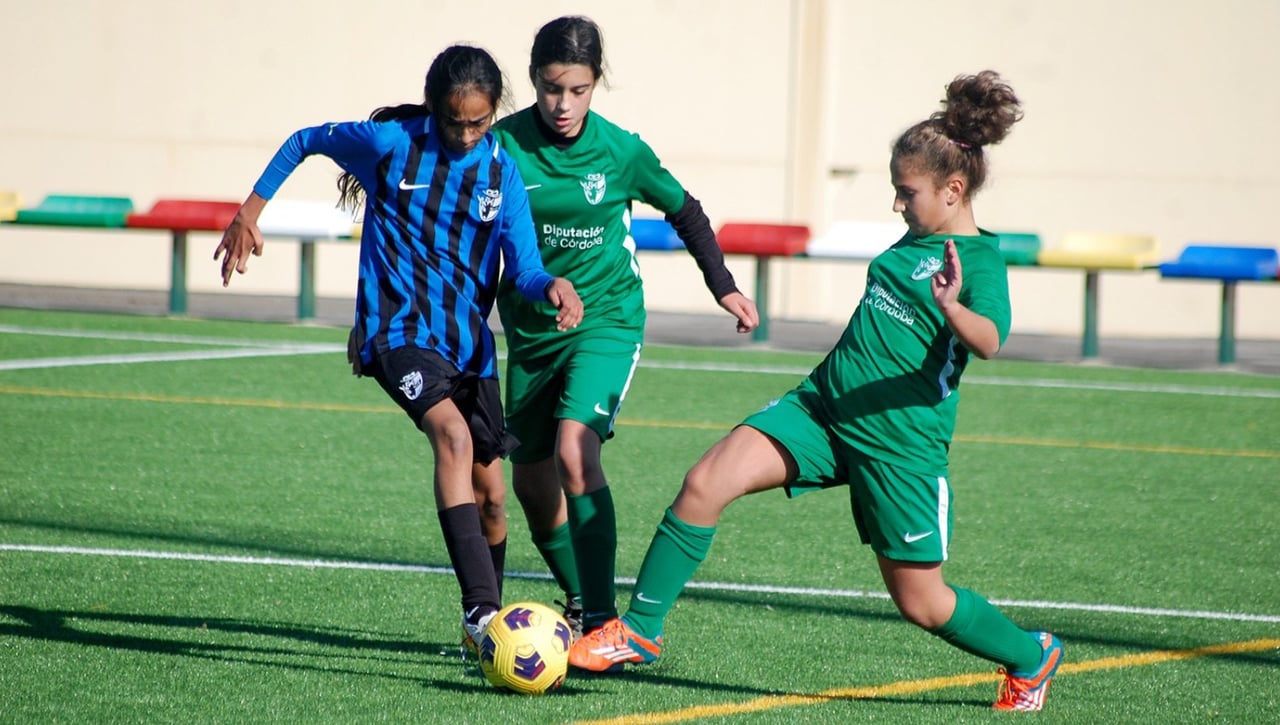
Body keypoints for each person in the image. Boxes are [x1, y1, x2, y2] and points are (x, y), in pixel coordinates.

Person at [570, 70, 1065, 712]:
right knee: (705, 481)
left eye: (905, 192)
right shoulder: (915, 242)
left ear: (953, 189)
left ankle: (1032, 656)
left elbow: (992, 338)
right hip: (822, 408)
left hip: (899, 444)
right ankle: (637, 630)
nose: (896, 205)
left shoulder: (979, 262)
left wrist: (951, 306)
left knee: (923, 603)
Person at [213, 45, 583, 649]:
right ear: (434, 109)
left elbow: (525, 270)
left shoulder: (501, 171)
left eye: (479, 122)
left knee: (493, 497)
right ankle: (482, 614)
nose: (465, 134)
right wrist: (251, 209)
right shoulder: (392, 143)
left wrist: (553, 288)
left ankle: (485, 638)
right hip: (396, 332)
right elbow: (304, 139)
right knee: (453, 437)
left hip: (469, 348)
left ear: (495, 113)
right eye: (454, 121)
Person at [489, 15, 760, 638]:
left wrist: (724, 286)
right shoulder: (501, 146)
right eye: (553, 88)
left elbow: (685, 210)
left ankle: (605, 622)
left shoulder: (620, 151)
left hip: (607, 318)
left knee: (573, 452)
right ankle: (582, 598)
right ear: (534, 80)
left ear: (596, 84)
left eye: (578, 90)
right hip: (532, 330)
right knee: (532, 485)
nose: (563, 104)